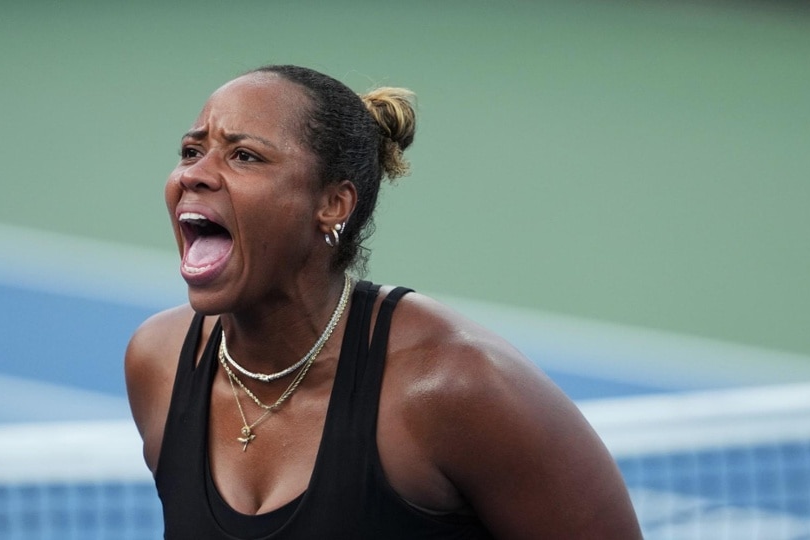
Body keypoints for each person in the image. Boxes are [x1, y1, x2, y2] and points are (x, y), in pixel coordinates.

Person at [125, 64, 642, 539]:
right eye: (191, 151)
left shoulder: (452, 385)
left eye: (244, 156)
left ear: (332, 204)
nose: (194, 173)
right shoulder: (160, 363)